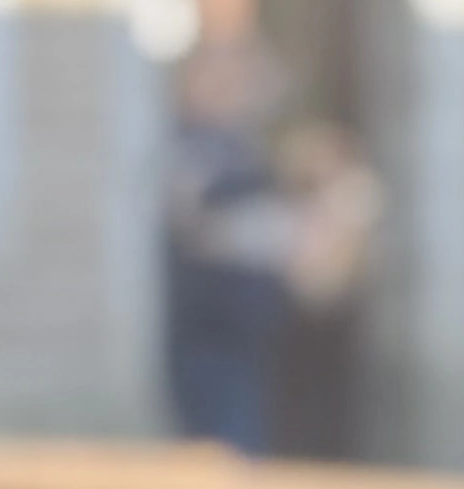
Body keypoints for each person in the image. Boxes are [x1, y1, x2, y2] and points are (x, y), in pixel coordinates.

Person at [161, 33, 298, 454]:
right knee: (222, 451)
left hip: (240, 334)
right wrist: (273, 232)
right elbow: (191, 223)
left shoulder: (241, 145)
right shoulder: (195, 146)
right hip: (208, 332)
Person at [269, 109, 382, 459]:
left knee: (335, 404)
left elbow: (346, 255)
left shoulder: (354, 194)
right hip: (302, 314)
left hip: (337, 313)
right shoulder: (298, 200)